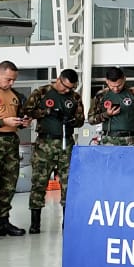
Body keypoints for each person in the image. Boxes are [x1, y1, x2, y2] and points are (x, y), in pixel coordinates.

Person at [24, 69, 85, 233]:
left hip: (66, 143)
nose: (67, 91)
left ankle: (68, 221)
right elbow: (27, 110)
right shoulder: (42, 92)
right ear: (59, 79)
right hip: (45, 143)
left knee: (68, 183)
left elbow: (80, 120)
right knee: (39, 181)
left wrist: (71, 120)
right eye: (65, 87)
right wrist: (47, 112)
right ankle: (35, 223)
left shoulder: (75, 97)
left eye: (70, 88)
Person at [0, 59, 29, 238]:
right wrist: (2, 122)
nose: (11, 83)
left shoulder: (14, 94)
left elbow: (17, 117)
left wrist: (23, 122)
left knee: (8, 183)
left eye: (14, 80)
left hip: (10, 142)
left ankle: (3, 221)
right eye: (8, 79)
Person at [88, 67, 134, 145]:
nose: (116, 89)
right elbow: (91, 120)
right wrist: (106, 114)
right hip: (108, 140)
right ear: (107, 81)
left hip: (130, 140)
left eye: (119, 85)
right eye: (112, 86)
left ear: (124, 79)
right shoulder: (101, 95)